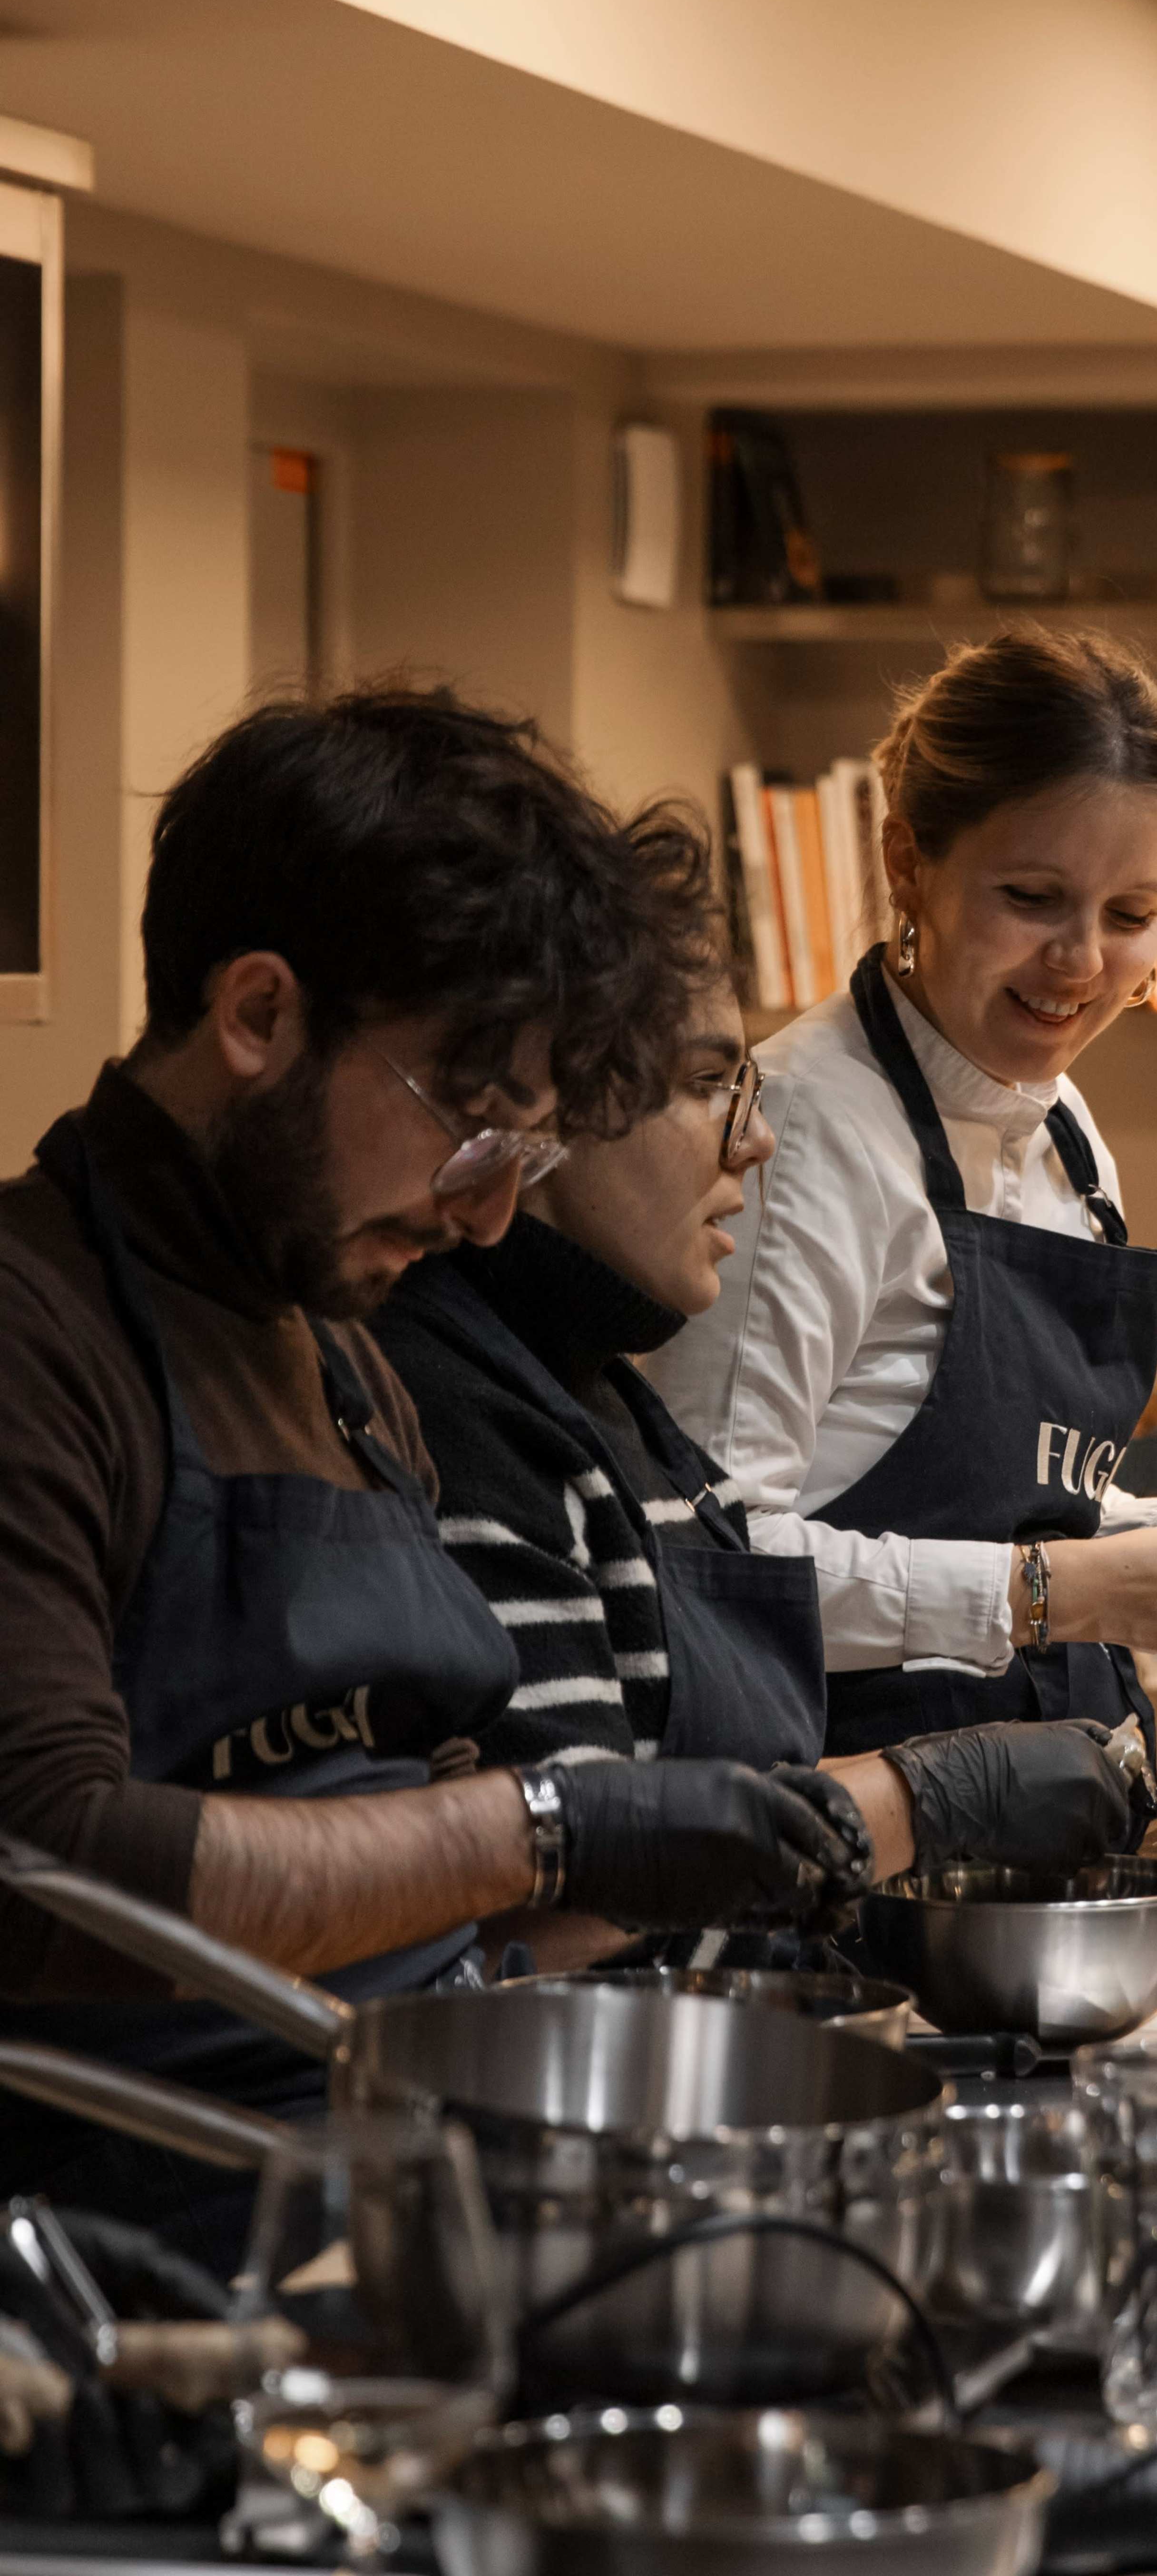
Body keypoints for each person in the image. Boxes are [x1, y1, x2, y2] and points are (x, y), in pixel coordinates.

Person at [0, 687, 866, 2258]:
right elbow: (59, 1869)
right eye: (466, 1131)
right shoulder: (33, 1337)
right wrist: (552, 1823)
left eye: (519, 1162)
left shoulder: (344, 1354)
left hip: (395, 2202)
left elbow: (432, 1851)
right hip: (123, 2272)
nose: (481, 1217)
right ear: (259, 1016)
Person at [370, 808, 1155, 1976]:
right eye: (704, 1084)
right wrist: (917, 1796)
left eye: (1133, 914)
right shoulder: (473, 1425)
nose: (754, 1143)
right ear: (530, 1110)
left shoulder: (614, 1410)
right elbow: (558, 1919)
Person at [651, 627, 1157, 1759]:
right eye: (1034, 897)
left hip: (1050, 1807)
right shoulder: (802, 1133)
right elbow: (709, 1564)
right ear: (909, 864)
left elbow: (1013, 1512)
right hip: (844, 1827)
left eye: (1130, 915)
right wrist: (1071, 1593)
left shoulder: (1066, 1131)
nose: (1083, 963)